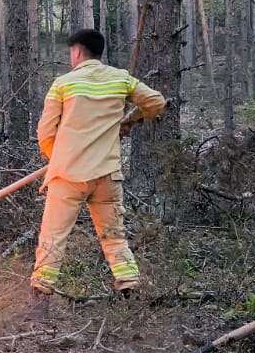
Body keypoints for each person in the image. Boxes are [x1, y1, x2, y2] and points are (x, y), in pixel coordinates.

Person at [30, 29, 166, 316]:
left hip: (68, 176)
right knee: (115, 236)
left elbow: (44, 133)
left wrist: (58, 158)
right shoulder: (121, 79)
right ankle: (129, 292)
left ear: (77, 52)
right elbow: (156, 102)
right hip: (107, 176)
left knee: (53, 236)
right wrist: (132, 118)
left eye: (71, 52)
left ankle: (40, 303)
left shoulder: (63, 84)